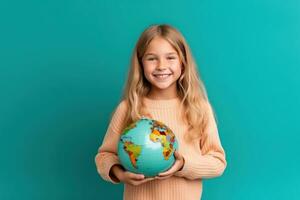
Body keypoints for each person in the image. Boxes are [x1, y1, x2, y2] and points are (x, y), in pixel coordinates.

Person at [95, 24, 227, 200]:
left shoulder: (199, 108)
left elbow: (218, 163)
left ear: (183, 62)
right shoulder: (129, 108)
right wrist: (119, 173)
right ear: (141, 64)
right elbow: (104, 156)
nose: (161, 66)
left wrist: (183, 165)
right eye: (151, 58)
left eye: (170, 57)